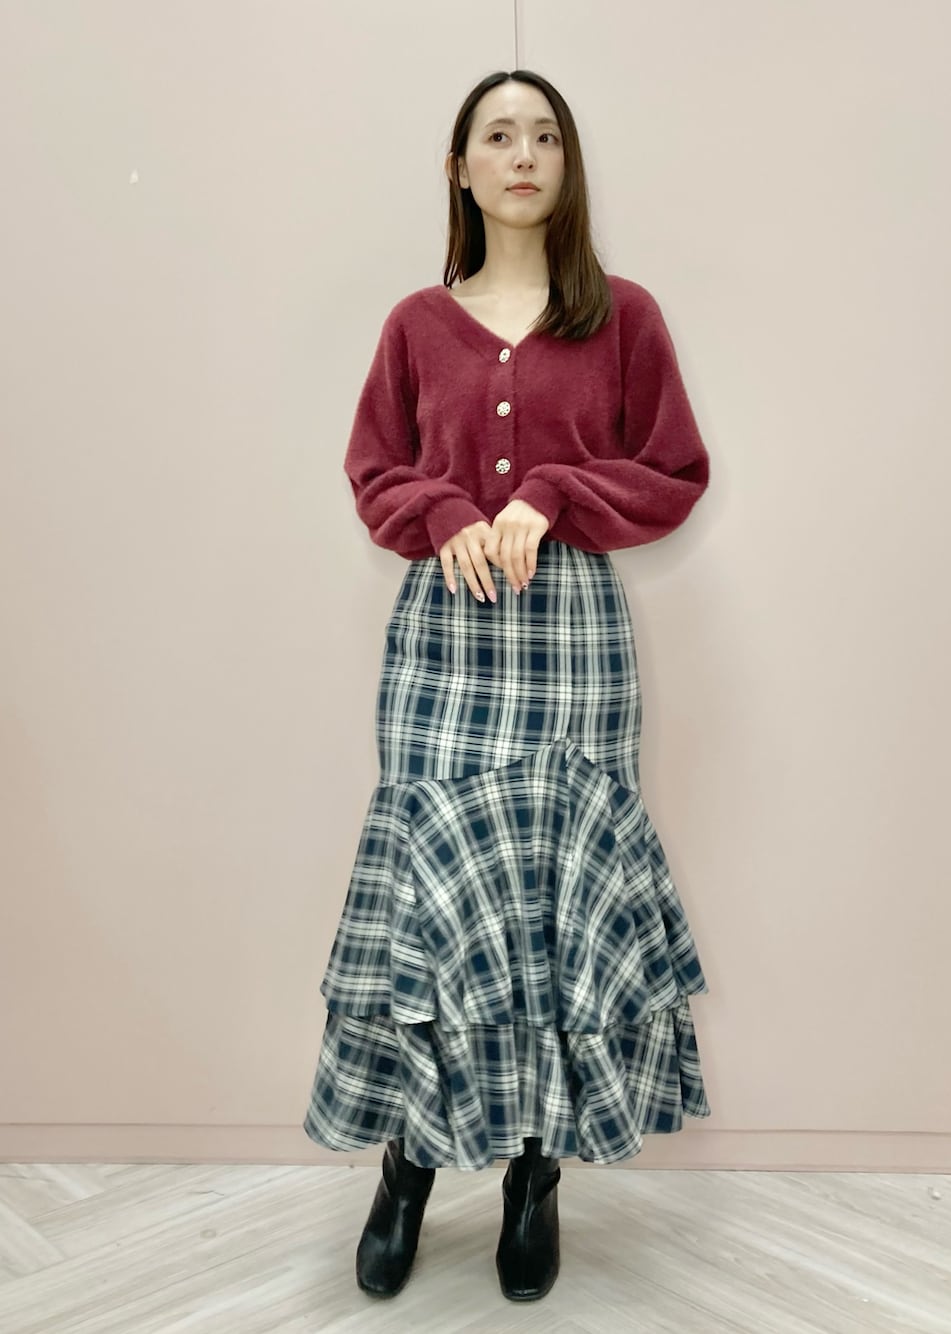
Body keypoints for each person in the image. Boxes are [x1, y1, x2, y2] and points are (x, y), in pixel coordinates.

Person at [303, 68, 712, 1304]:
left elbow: (674, 471)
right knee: (438, 900)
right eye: (497, 135)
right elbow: (374, 471)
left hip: (572, 640)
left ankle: (537, 1173)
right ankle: (409, 1164)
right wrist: (442, 512)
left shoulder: (622, 315)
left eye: (544, 135)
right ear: (461, 168)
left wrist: (551, 491)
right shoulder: (415, 325)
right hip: (444, 637)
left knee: (549, 899)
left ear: (566, 164)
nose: (522, 154)